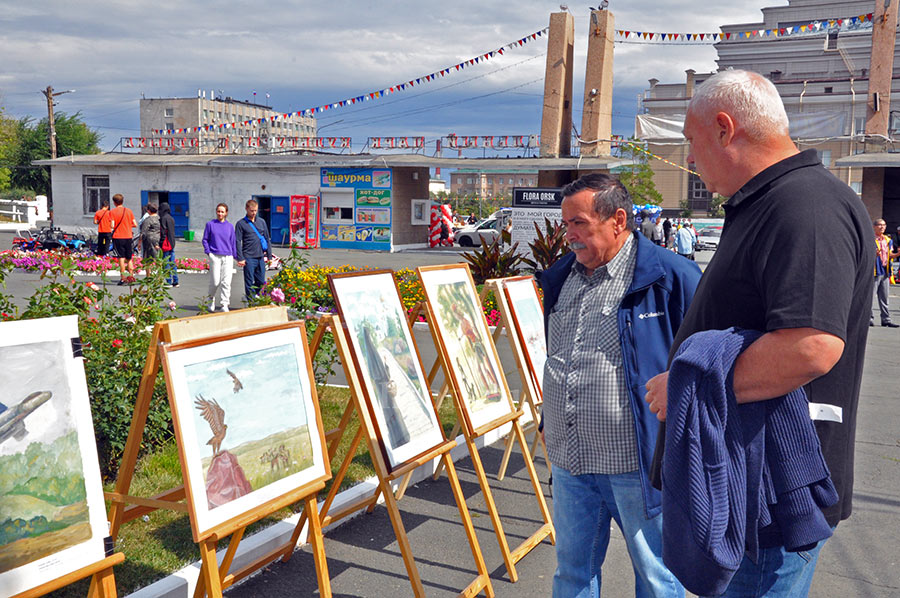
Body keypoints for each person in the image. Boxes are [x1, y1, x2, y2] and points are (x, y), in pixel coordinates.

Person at [644, 69, 874, 597]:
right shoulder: (773, 202)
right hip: (752, 490)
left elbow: (810, 346)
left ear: (725, 129)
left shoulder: (805, 207)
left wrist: (687, 387)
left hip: (767, 503)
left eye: (692, 143)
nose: (691, 161)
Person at [540, 173, 701, 598]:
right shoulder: (560, 277)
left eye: (580, 224)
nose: (569, 235)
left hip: (638, 463)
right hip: (570, 459)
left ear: (618, 220)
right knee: (572, 574)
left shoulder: (670, 277)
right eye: (566, 224)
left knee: (656, 577)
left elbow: (709, 356)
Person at [202, 203, 237, 312]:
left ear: (226, 213)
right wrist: (209, 253)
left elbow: (233, 242)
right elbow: (205, 239)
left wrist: (236, 256)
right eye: (218, 211)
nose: (220, 213)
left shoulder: (230, 226)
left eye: (222, 211)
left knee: (226, 282)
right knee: (215, 281)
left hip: (228, 256)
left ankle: (224, 304)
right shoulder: (210, 224)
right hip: (215, 256)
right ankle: (210, 298)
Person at [872, 218, 899, 327]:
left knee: (884, 298)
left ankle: (886, 319)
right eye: (879, 225)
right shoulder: (871, 239)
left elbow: (890, 255)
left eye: (883, 225)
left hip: (885, 271)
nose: (882, 227)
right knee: (871, 297)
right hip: (874, 271)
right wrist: (874, 255)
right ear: (874, 227)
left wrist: (897, 255)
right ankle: (869, 318)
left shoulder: (888, 240)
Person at [108, 193, 137, 285]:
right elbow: (135, 224)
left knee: (121, 257)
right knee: (129, 258)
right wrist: (127, 225)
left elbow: (112, 225)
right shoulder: (128, 211)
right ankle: (131, 276)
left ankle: (123, 278)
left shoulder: (112, 212)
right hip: (128, 236)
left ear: (114, 202)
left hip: (118, 236)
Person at [158, 202, 179, 288]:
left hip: (165, 243)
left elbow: (163, 232)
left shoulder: (163, 218)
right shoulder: (171, 218)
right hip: (172, 242)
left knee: (165, 262)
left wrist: (160, 243)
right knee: (172, 262)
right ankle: (176, 281)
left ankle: (168, 281)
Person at [140, 203, 161, 273]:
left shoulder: (148, 220)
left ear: (148, 211)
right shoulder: (159, 218)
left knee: (148, 259)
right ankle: (158, 275)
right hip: (158, 239)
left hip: (149, 240)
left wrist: (139, 243)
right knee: (157, 257)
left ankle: (149, 276)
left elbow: (143, 232)